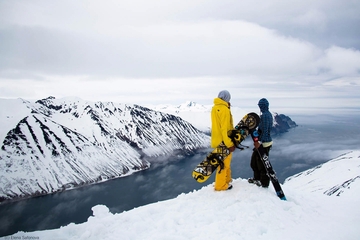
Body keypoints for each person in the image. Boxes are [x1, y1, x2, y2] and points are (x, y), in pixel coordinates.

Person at [211, 90, 236, 191]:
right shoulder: (224, 110)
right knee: (224, 164)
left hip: (216, 140)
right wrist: (229, 143)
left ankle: (227, 180)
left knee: (223, 162)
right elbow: (225, 129)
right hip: (225, 141)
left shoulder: (214, 108)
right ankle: (221, 185)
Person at [248, 98, 273, 188]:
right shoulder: (266, 115)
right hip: (263, 142)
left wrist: (259, 142)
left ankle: (264, 183)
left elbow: (265, 131)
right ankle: (257, 179)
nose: (260, 107)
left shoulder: (266, 116)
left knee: (261, 164)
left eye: (260, 105)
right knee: (254, 162)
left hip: (264, 143)